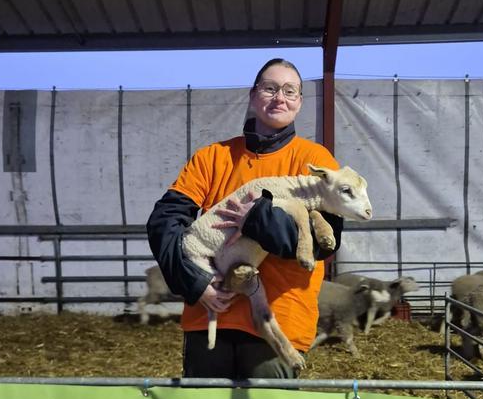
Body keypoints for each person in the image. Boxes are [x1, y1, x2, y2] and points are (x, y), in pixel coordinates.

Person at [146, 58, 342, 379]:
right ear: (253, 96)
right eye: (270, 88)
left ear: (300, 103)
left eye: (290, 91)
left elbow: (326, 242)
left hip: (278, 323)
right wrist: (196, 283)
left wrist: (254, 219)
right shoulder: (212, 158)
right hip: (210, 314)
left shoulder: (314, 161)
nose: (280, 97)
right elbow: (164, 222)